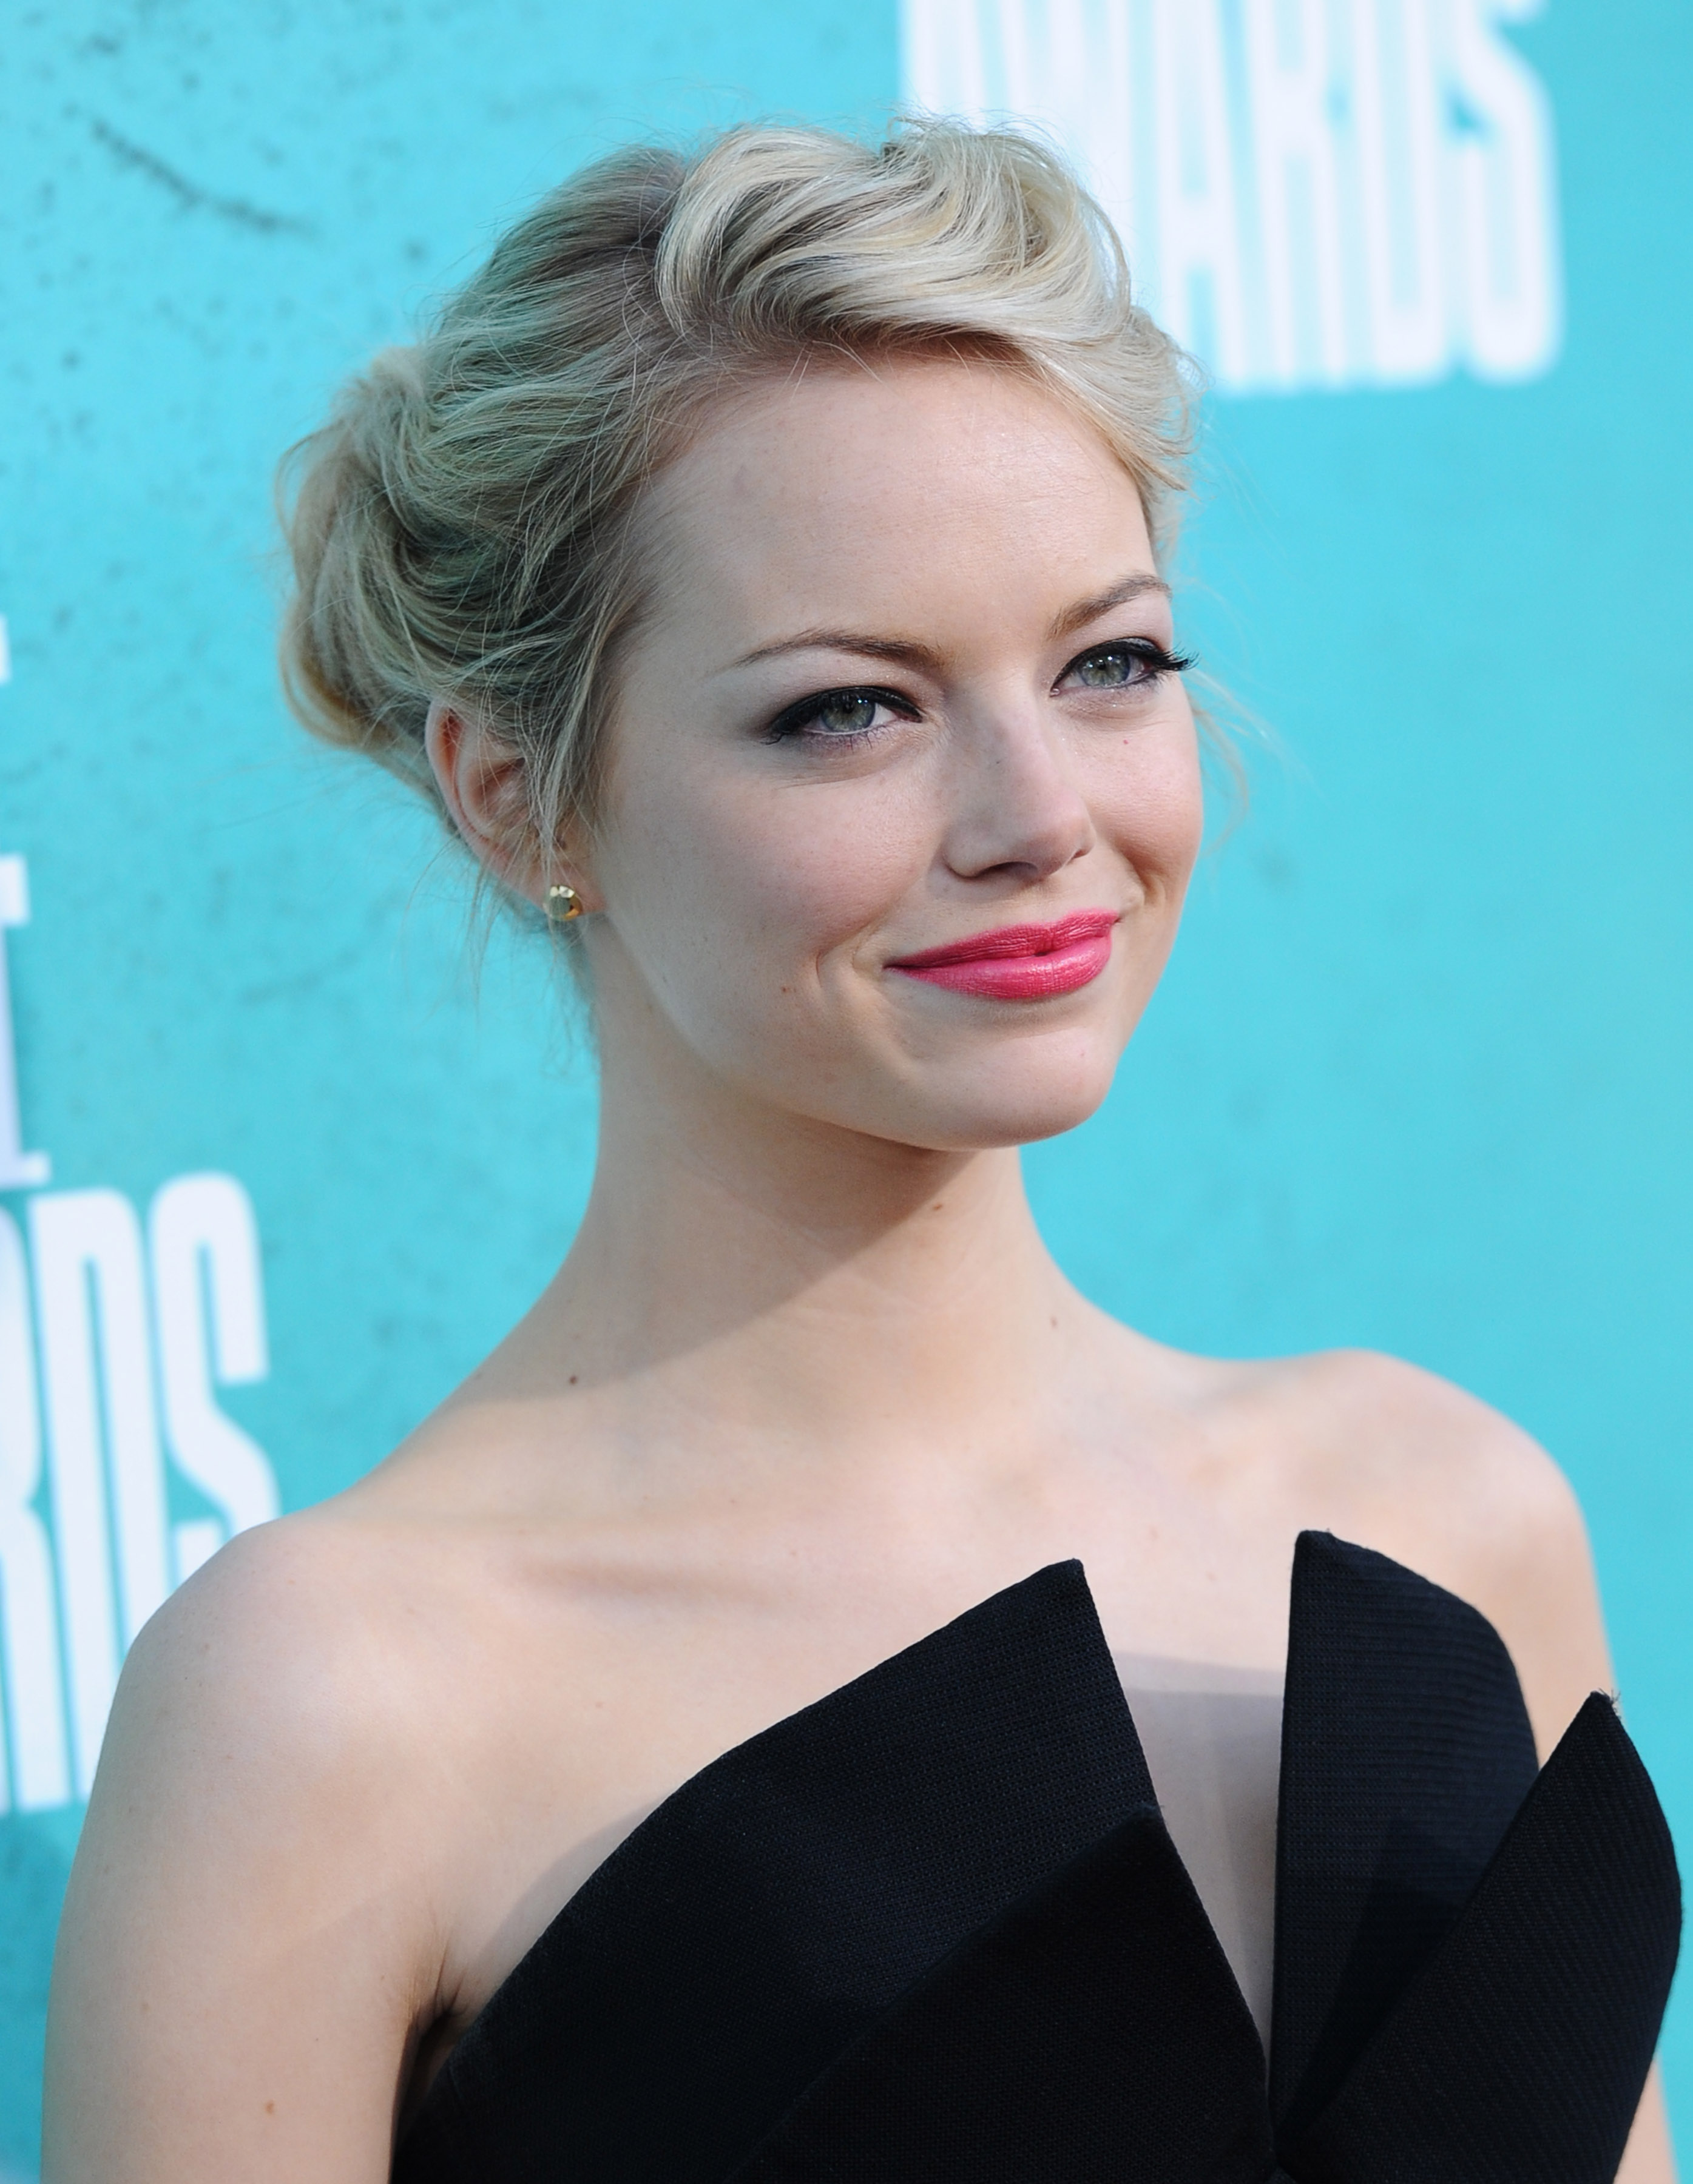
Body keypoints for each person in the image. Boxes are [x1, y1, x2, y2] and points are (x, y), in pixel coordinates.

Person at [42, 119, 1677, 2183]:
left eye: (1110, 664)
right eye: (851, 710)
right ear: (516, 798)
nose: (1040, 814)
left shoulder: (1443, 1523)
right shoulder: (331, 1701)